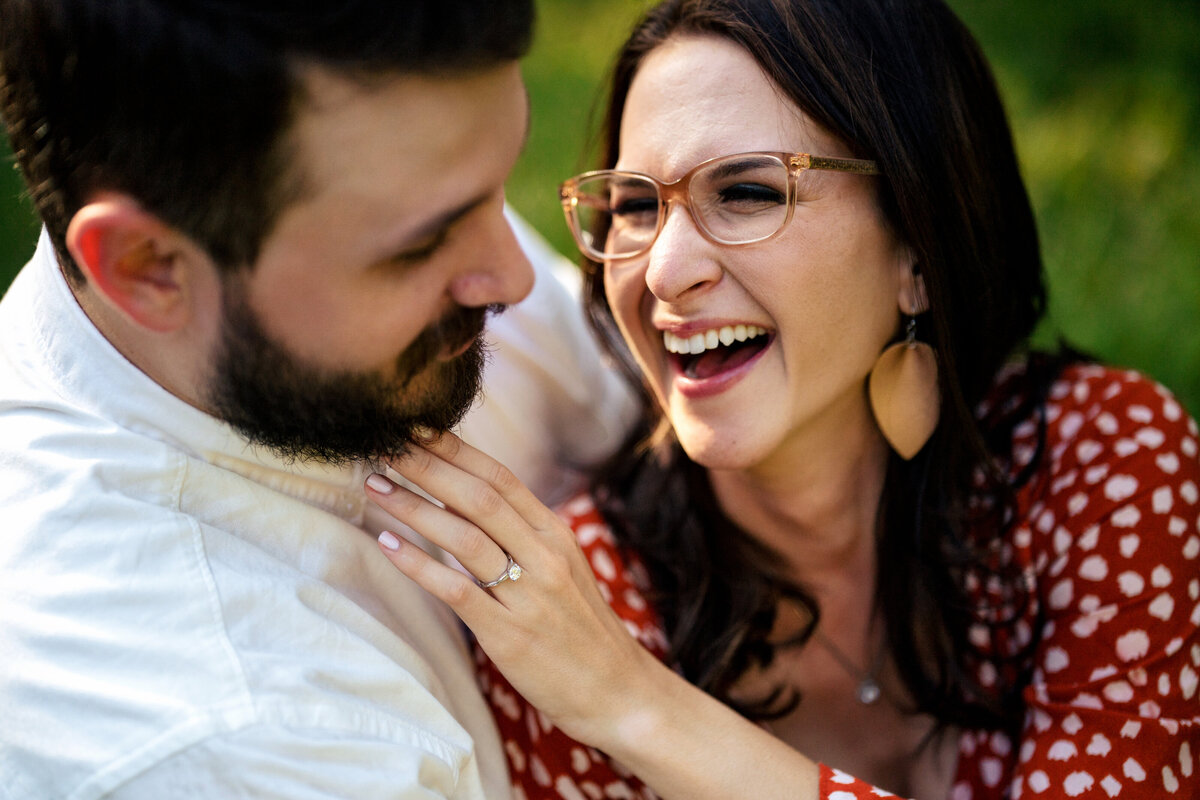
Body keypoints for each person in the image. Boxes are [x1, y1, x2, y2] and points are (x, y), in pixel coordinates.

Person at [362, 0, 1200, 798]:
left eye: (747, 192)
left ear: (916, 245)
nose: (662, 270)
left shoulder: (1104, 465)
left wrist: (639, 709)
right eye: (634, 206)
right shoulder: (575, 622)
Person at [0, 2, 636, 797]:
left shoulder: (389, 182)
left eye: (496, 188)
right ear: (147, 266)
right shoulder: (226, 741)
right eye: (421, 247)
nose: (514, 278)